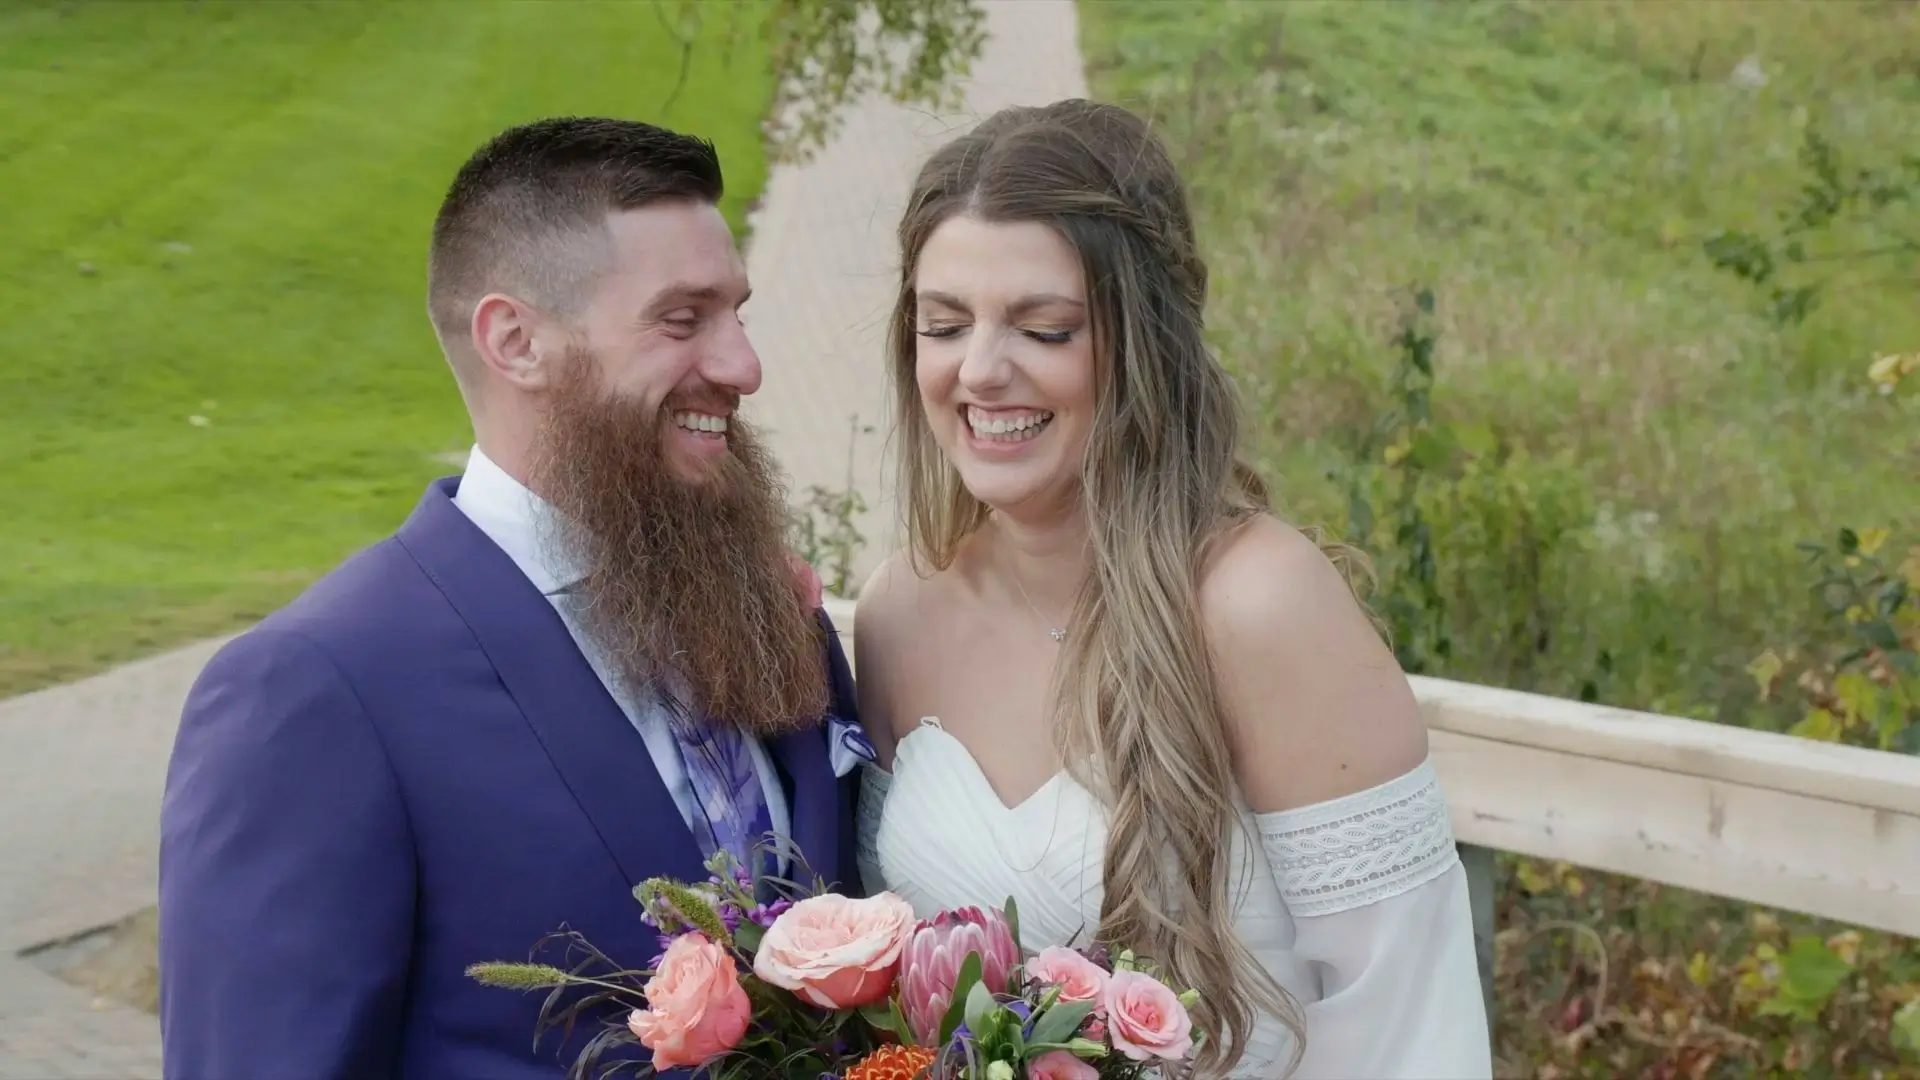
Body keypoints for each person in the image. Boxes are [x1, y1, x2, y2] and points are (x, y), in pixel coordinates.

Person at [157, 117, 867, 1080]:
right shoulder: (319, 693)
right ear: (517, 340)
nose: (743, 366)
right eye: (682, 318)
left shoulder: (770, 616)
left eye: (736, 312)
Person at [852, 99, 1492, 1079]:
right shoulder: (900, 614)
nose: (981, 371)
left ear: (1144, 341)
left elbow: (1408, 1022)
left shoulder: (1256, 604)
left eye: (1046, 328)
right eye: (945, 325)